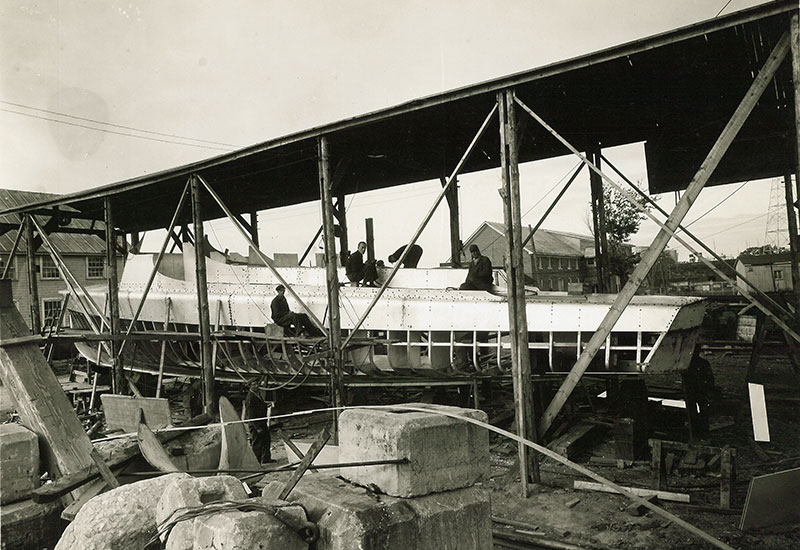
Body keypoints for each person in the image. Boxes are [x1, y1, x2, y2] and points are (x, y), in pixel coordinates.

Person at [244, 380, 272, 463]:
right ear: (250, 386)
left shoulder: (258, 394)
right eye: (254, 384)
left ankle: (266, 458)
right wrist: (257, 427)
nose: (257, 386)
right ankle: (256, 462)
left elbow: (259, 405)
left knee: (266, 439)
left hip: (262, 421)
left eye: (257, 384)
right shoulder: (250, 398)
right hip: (255, 423)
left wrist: (265, 405)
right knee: (257, 443)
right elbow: (251, 414)